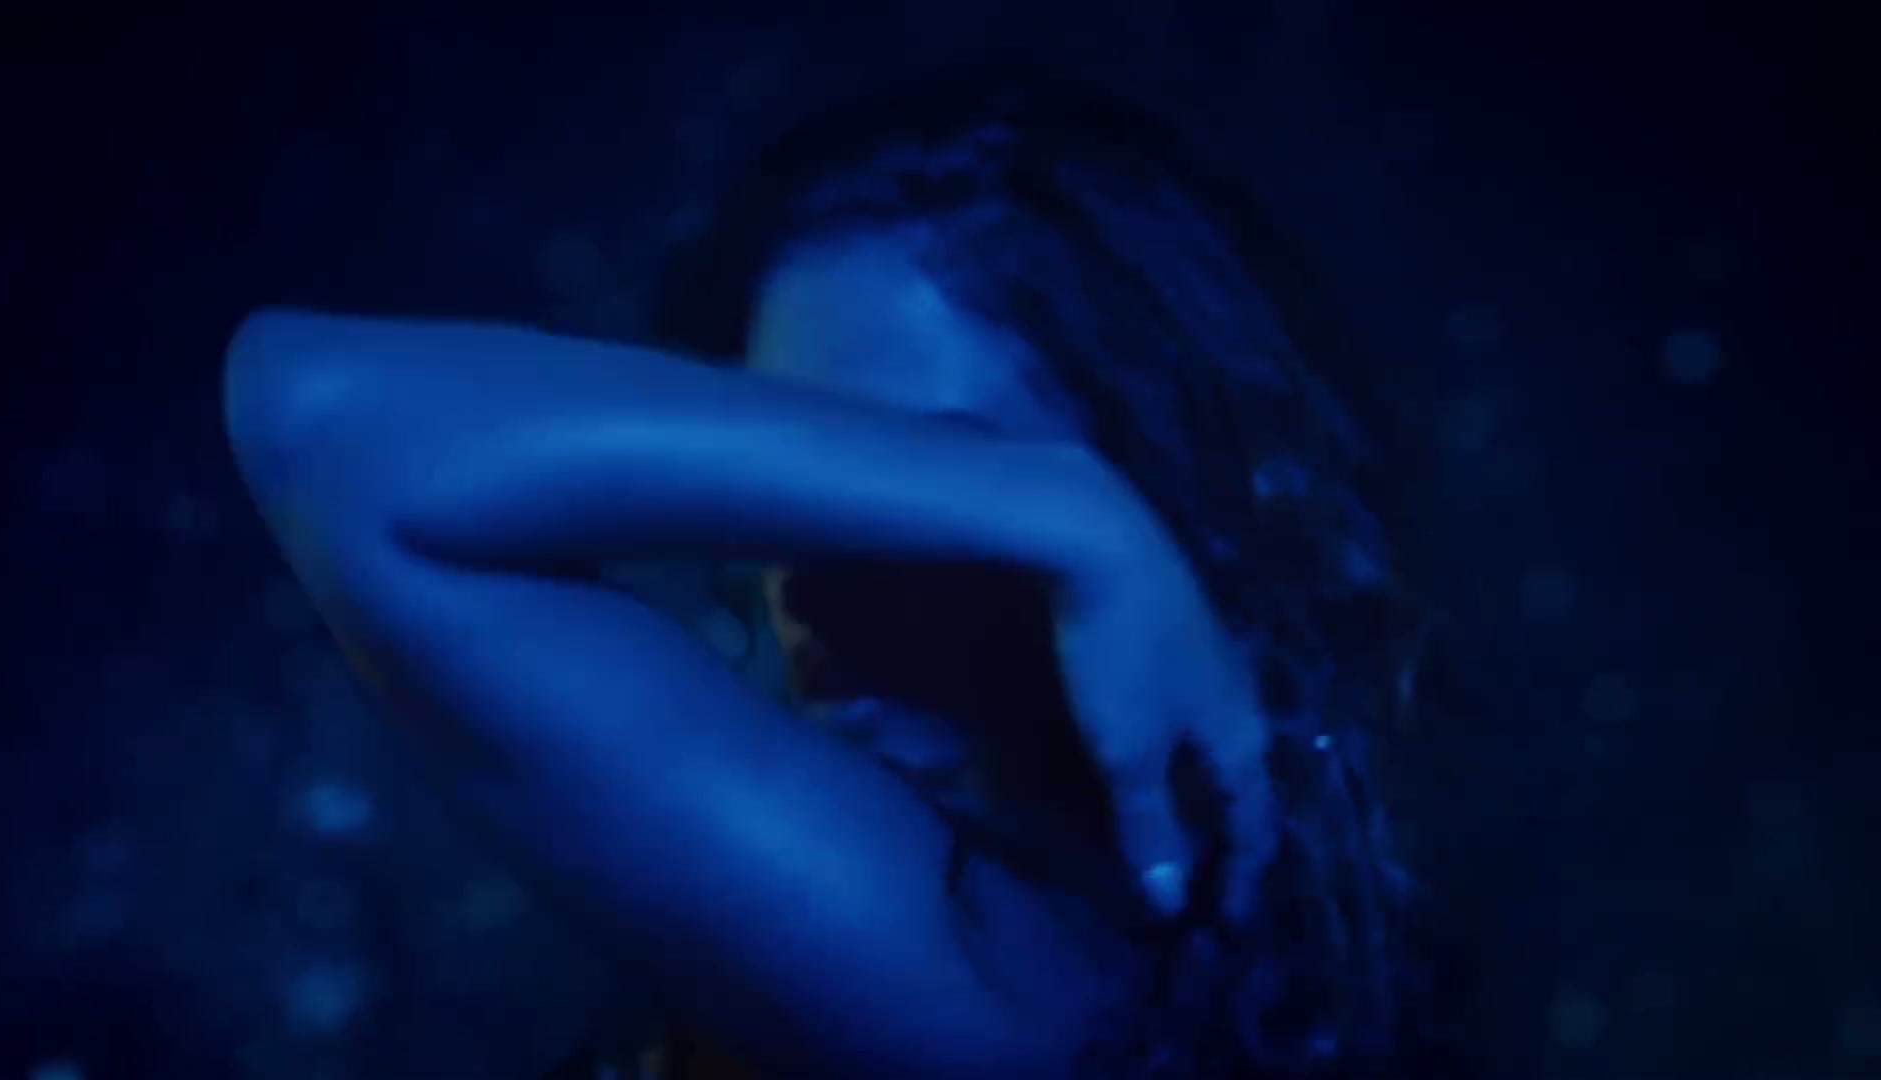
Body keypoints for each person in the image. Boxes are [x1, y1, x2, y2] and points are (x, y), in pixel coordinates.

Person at [225, 64, 1449, 1080]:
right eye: (802, 476)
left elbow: (317, 417)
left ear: (1167, 492)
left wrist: (1069, 510)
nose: (805, 578)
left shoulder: (1022, 978)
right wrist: (1063, 505)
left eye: (936, 467)